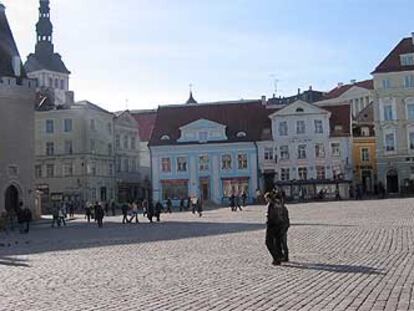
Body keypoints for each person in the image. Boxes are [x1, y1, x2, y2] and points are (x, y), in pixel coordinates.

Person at [265, 191, 287, 266]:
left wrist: (268, 223)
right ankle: (280, 256)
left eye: (266, 198)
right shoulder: (279, 203)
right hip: (280, 224)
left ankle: (276, 258)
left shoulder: (271, 205)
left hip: (272, 225)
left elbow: (271, 216)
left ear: (269, 198)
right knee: (278, 242)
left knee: (269, 242)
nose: (266, 200)